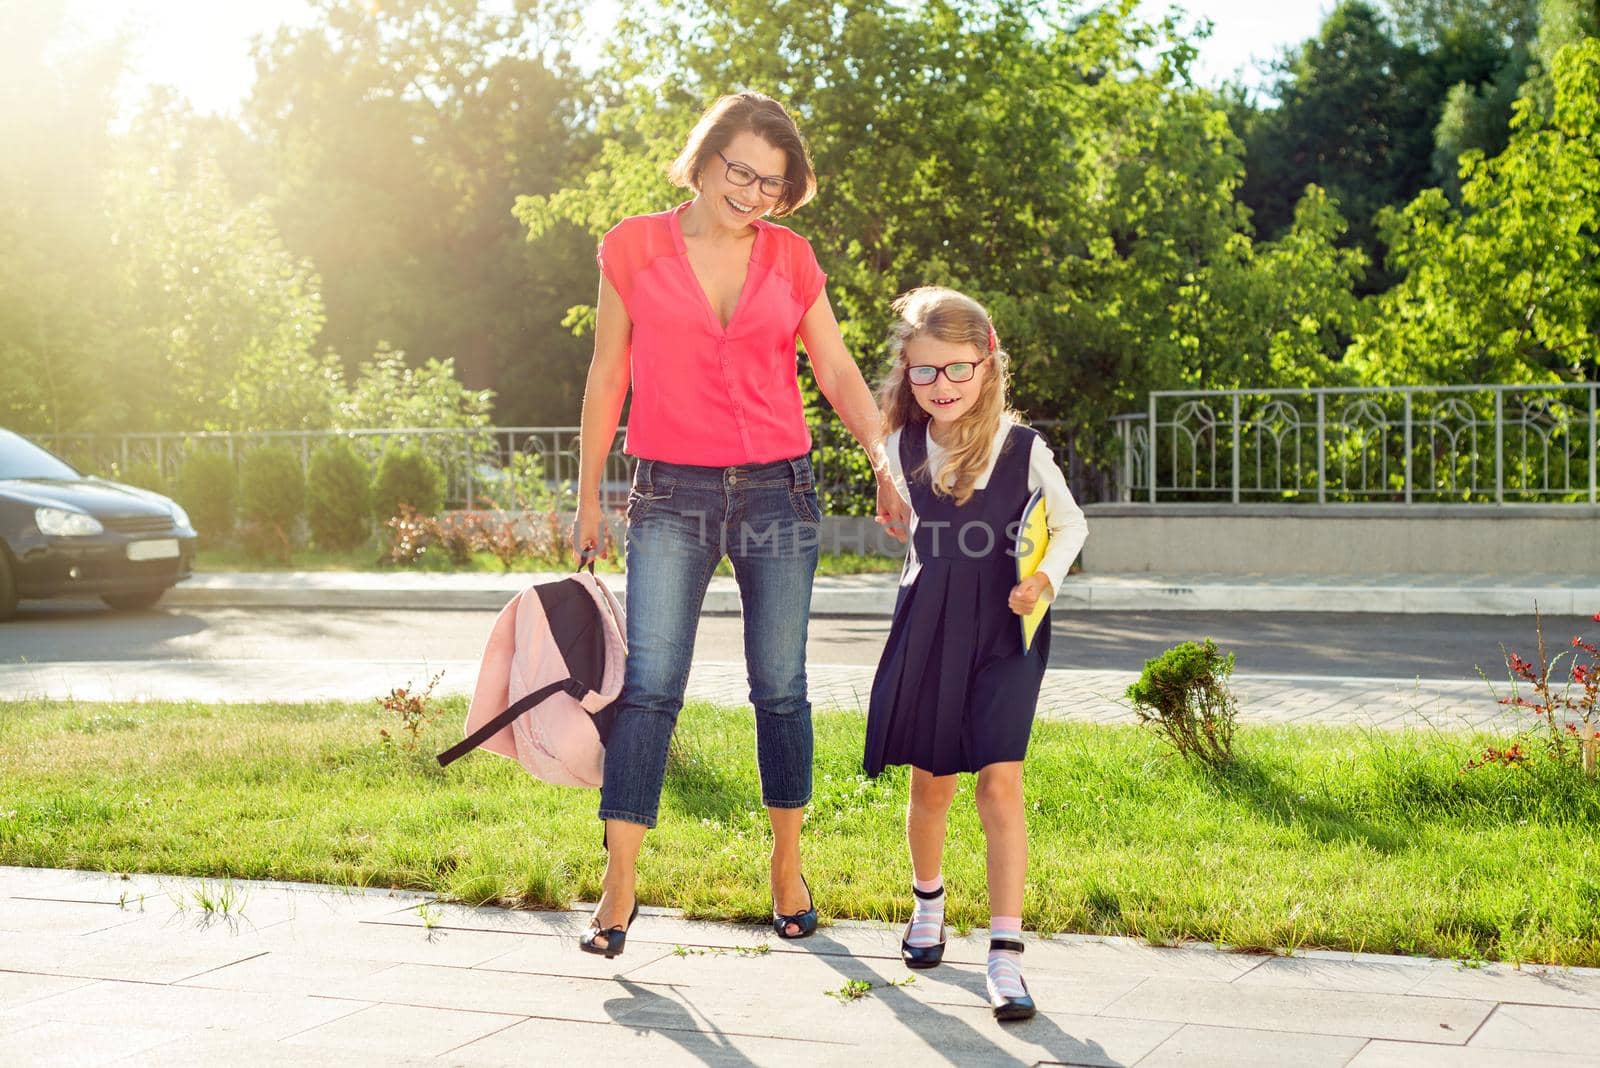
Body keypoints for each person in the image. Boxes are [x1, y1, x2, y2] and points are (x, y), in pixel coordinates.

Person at [568, 92, 910, 958]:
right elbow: (608, 374)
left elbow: (833, 368)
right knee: (650, 688)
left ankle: (788, 872)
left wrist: (884, 462)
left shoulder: (792, 259)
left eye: (773, 184)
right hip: (668, 493)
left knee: (781, 687)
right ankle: (618, 885)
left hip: (776, 491)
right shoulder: (633, 246)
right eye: (741, 172)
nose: (754, 194)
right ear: (705, 157)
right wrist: (586, 495)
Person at [865, 286, 1088, 1020]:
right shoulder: (899, 444)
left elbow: (1071, 525)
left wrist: (1046, 582)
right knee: (931, 783)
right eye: (925, 373)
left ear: (987, 365)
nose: (943, 387)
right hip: (930, 621)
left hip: (1006, 625)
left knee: (999, 784)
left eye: (958, 369)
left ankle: (1005, 953)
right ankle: (927, 904)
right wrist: (890, 502)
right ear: (907, 372)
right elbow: (904, 516)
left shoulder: (1022, 449)